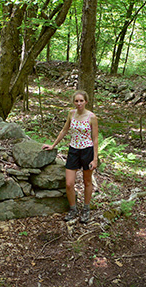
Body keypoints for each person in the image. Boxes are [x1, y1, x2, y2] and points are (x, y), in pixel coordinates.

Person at [42, 90, 98, 223]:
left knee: (87, 181)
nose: (79, 103)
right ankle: (73, 209)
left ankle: (86, 209)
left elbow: (95, 139)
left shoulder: (92, 117)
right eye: (76, 101)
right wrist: (53, 145)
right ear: (73, 102)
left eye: (81, 101)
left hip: (87, 151)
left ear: (86, 102)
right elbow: (64, 130)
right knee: (69, 183)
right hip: (73, 150)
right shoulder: (71, 114)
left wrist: (95, 159)